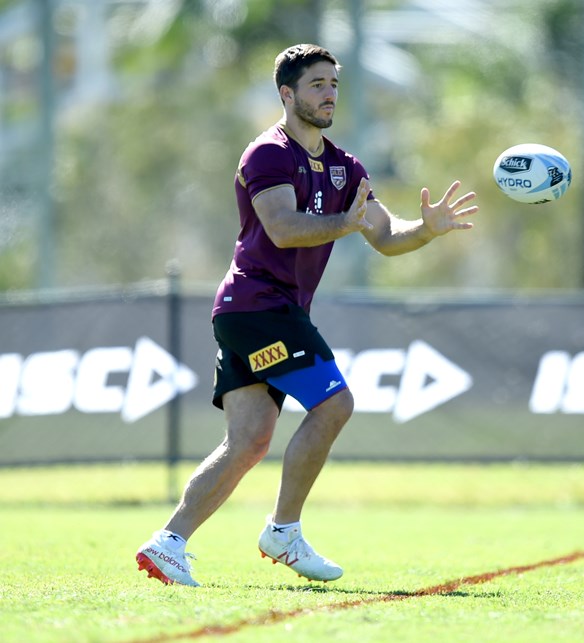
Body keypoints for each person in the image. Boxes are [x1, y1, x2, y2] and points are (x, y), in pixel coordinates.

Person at [135, 43, 478, 587]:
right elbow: (282, 228)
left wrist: (426, 230)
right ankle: (283, 530)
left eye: (334, 85)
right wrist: (346, 223)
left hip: (264, 310)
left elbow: (385, 236)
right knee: (335, 403)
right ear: (287, 94)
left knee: (248, 440)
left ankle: (168, 543)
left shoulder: (345, 166)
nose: (329, 94)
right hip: (258, 305)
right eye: (317, 85)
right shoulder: (267, 154)